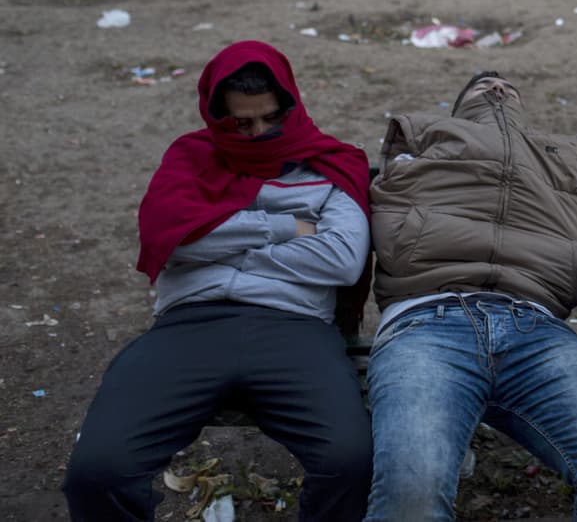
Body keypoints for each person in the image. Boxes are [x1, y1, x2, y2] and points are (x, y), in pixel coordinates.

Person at [62, 41, 373, 521]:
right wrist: (286, 227)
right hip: (188, 327)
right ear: (217, 117)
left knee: (349, 460)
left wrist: (218, 246)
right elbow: (169, 242)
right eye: (241, 124)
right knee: (97, 469)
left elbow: (341, 260)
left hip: (295, 330)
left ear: (291, 105)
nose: (258, 134)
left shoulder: (331, 165)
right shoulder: (189, 160)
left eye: (271, 119)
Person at [363, 71, 577, 521]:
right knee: (412, 481)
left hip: (535, 327)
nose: (497, 90)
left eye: (507, 87)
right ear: (460, 107)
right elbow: (394, 226)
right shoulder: (426, 137)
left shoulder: (559, 158)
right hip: (427, 321)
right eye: (483, 87)